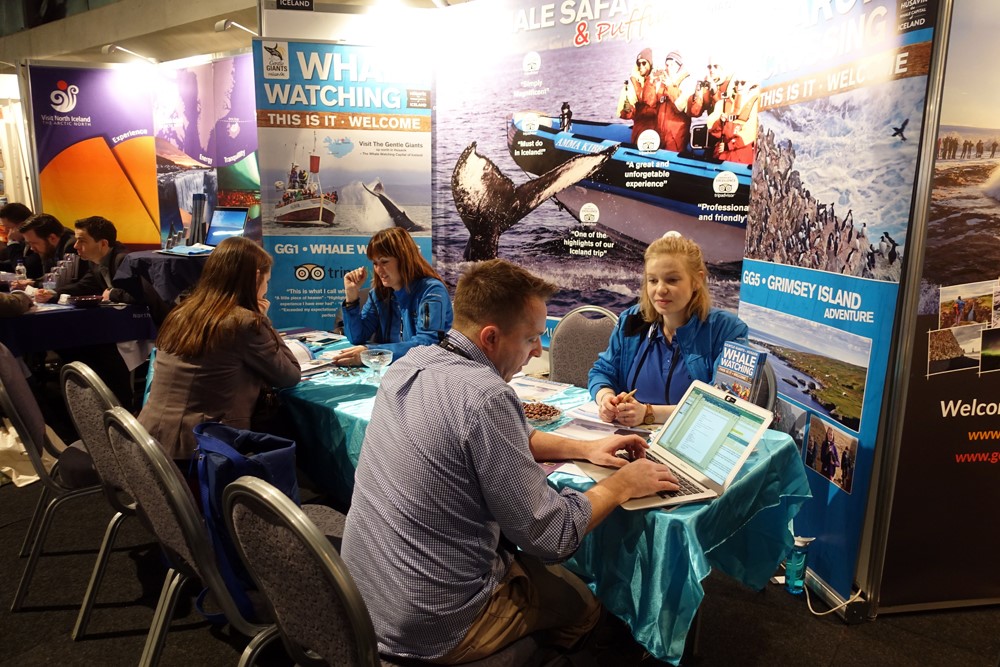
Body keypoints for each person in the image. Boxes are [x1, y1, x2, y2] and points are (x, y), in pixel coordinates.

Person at [341, 259, 679, 663]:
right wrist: (624, 484)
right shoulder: (487, 396)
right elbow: (552, 535)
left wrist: (586, 448)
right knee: (586, 608)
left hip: (361, 600)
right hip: (436, 625)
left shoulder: (408, 366)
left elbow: (499, 437)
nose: (538, 350)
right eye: (532, 338)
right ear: (491, 337)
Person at [139, 237, 301, 463]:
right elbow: (290, 375)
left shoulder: (180, 313)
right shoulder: (244, 322)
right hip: (204, 450)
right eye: (266, 282)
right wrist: (264, 320)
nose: (266, 290)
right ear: (255, 278)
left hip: (149, 442)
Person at [589, 232, 748, 427]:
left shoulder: (728, 330)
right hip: (629, 435)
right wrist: (606, 398)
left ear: (697, 280)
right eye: (653, 280)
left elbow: (726, 402)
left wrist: (648, 413)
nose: (660, 289)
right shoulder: (631, 319)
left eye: (672, 280)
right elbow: (603, 372)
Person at [332, 226, 453, 366]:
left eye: (384, 262)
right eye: (375, 263)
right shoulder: (378, 294)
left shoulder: (432, 291)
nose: (378, 270)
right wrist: (351, 297)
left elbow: (427, 344)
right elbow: (357, 338)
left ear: (404, 259)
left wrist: (373, 353)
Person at [34, 216, 135, 304]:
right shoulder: (94, 261)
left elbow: (139, 295)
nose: (75, 246)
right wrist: (53, 293)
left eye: (81, 241)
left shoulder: (123, 260)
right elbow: (84, 286)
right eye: (76, 240)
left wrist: (112, 294)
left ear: (103, 244)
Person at [708, 73, 760, 164]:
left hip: (741, 154)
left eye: (743, 83)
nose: (739, 86)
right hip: (721, 152)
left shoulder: (755, 104)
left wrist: (729, 145)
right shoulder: (723, 103)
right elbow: (711, 128)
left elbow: (750, 131)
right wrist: (720, 121)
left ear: (751, 85)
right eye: (736, 83)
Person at [653, 50, 695, 153]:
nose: (668, 68)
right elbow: (651, 103)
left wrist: (670, 86)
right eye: (667, 65)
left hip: (676, 136)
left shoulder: (687, 82)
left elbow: (680, 106)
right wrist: (652, 80)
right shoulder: (662, 81)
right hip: (660, 133)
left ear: (679, 66)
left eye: (672, 65)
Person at [618, 47, 659, 146]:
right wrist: (627, 108)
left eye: (644, 63)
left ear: (650, 64)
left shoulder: (658, 80)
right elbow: (627, 114)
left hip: (657, 132)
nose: (641, 66)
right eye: (638, 63)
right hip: (640, 132)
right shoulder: (633, 84)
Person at [0, 202, 42, 278]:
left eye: (9, 227)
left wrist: (12, 242)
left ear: (22, 225)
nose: (5, 231)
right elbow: (15, 262)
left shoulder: (38, 240)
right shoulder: (22, 240)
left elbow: (23, 269)